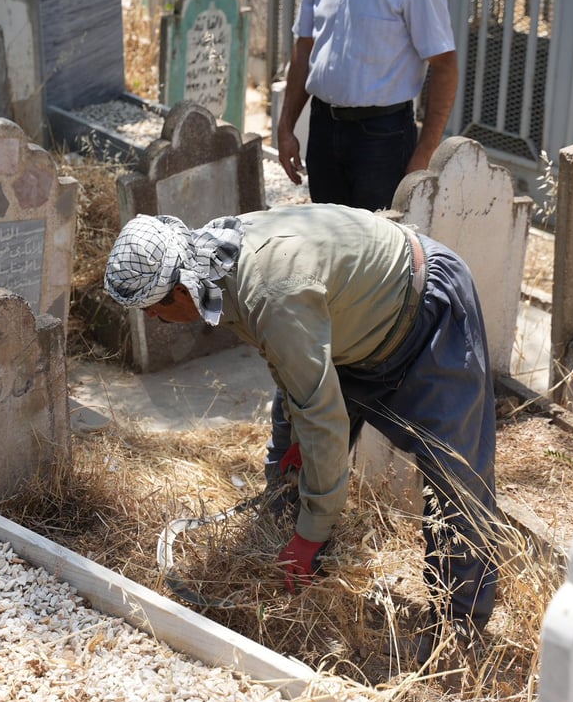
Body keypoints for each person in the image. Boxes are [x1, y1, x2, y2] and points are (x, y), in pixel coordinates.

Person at [104, 203, 498, 664]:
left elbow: (322, 416)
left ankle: (459, 630)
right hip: (348, 329)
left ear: (179, 290)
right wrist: (296, 448)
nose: (154, 321)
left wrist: (311, 531)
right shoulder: (214, 256)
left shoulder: (269, 291)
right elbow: (294, 376)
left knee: (456, 478)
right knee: (287, 446)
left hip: (424, 312)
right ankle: (295, 566)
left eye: (153, 310)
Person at [276, 0, 458, 211]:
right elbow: (305, 44)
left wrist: (423, 156)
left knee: (378, 239)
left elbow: (445, 65)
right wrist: (286, 126)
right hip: (323, 127)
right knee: (326, 235)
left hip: (383, 137)